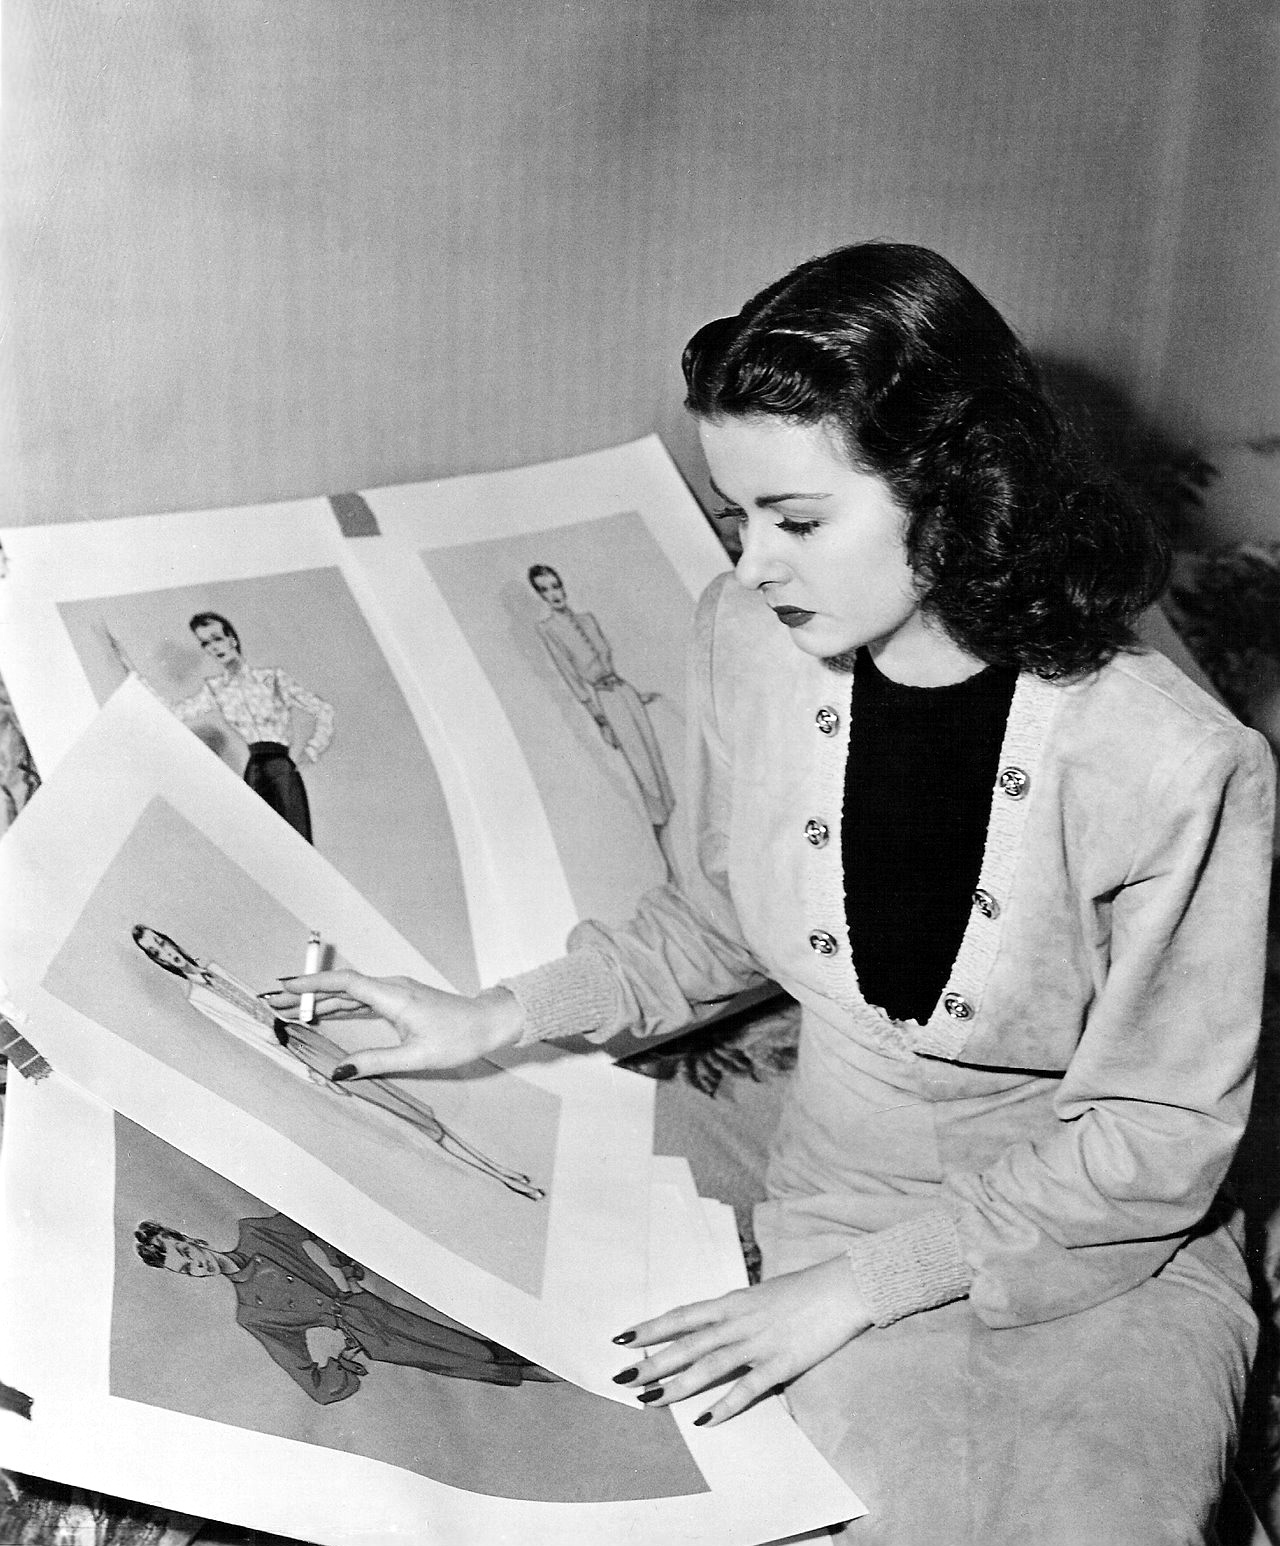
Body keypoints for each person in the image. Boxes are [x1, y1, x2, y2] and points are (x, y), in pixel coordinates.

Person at [272, 243, 1275, 1543]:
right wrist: (487, 1016)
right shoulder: (746, 640)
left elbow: (1154, 1142)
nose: (751, 564)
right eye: (734, 517)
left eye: (795, 521)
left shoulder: (1179, 763)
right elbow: (715, 919)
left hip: (1106, 1249)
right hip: (838, 1200)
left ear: (953, 488)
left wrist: (852, 1290)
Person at [132, 926, 544, 1202]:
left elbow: (270, 1009)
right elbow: (252, 1038)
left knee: (400, 1100)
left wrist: (302, 1014)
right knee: (396, 1112)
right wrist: (309, 1073)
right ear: (157, 960)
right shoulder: (197, 998)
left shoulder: (216, 970)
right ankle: (497, 1173)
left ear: (172, 943)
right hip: (297, 1053)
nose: (166, 952)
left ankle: (498, 1169)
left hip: (307, 1037)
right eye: (156, 952)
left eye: (163, 943)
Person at [134, 1215, 555, 1404]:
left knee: (469, 1343)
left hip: (368, 1303)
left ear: (193, 1240)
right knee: (461, 1365)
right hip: (369, 1339)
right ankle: (554, 1375)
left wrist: (344, 1270)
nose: (197, 1266)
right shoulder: (252, 1315)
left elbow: (313, 1222)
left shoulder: (256, 1232)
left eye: (187, 1254)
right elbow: (315, 1386)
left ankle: (555, 1361)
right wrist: (340, 1361)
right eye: (186, 1270)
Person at [111, 612, 334, 842]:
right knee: (263, 844)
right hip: (255, 772)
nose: (213, 647)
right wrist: (133, 674)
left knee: (297, 843)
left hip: (282, 770)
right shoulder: (216, 689)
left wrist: (312, 750)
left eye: (217, 638)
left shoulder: (272, 679)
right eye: (205, 643)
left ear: (232, 639)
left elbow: (324, 710)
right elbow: (174, 712)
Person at [529, 564, 677, 878]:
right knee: (643, 777)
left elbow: (608, 662)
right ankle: (667, 862)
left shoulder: (587, 619)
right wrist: (600, 719)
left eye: (555, 586)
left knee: (657, 766)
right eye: (545, 590)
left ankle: (682, 849)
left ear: (563, 586)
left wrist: (636, 696)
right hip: (604, 702)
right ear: (539, 595)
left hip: (624, 693)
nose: (553, 594)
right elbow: (571, 677)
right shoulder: (548, 628)